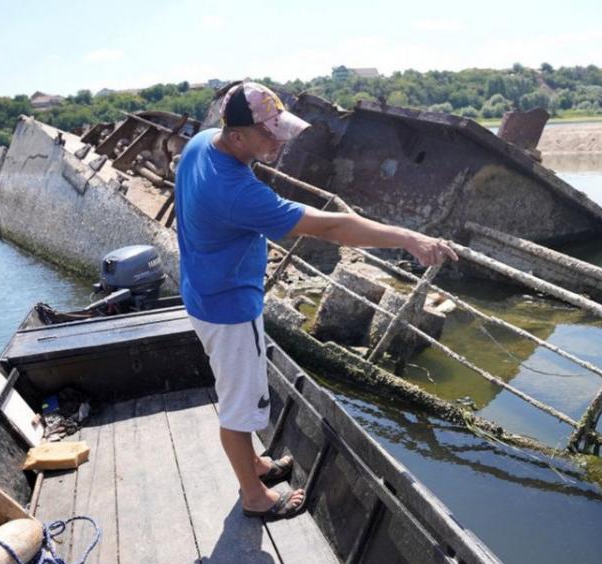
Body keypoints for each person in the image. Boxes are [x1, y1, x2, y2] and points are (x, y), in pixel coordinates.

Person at [174, 81, 457, 519]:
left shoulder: (200, 145)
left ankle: (255, 465)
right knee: (239, 408)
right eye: (268, 133)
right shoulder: (236, 192)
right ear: (236, 137)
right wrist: (408, 237)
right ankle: (254, 496)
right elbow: (332, 227)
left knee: (239, 391)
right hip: (228, 308)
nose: (279, 139)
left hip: (202, 289)